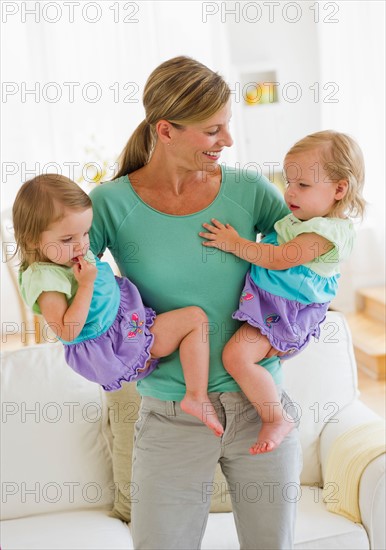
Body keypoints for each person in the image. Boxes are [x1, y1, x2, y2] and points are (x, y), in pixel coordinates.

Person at [89, 55, 301, 550]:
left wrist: (283, 339)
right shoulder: (111, 204)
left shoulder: (249, 191)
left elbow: (312, 264)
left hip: (260, 407)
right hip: (171, 414)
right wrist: (135, 340)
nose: (227, 141)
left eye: (227, 127)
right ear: (166, 130)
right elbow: (68, 287)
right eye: (213, 131)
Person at [12, 174, 224, 436]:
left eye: (85, 233)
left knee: (195, 318)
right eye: (68, 239)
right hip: (110, 345)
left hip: (125, 321)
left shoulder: (70, 251)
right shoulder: (45, 279)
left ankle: (189, 391)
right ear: (33, 240)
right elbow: (67, 331)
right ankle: (196, 395)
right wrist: (87, 284)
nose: (81, 245)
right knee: (195, 319)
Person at [199, 130, 366, 455]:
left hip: (285, 314)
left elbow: (278, 259)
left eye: (302, 185)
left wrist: (235, 244)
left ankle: (275, 416)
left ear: (339, 188)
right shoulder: (304, 218)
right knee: (237, 354)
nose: (290, 192)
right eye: (288, 181)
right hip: (271, 305)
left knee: (235, 356)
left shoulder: (328, 233)